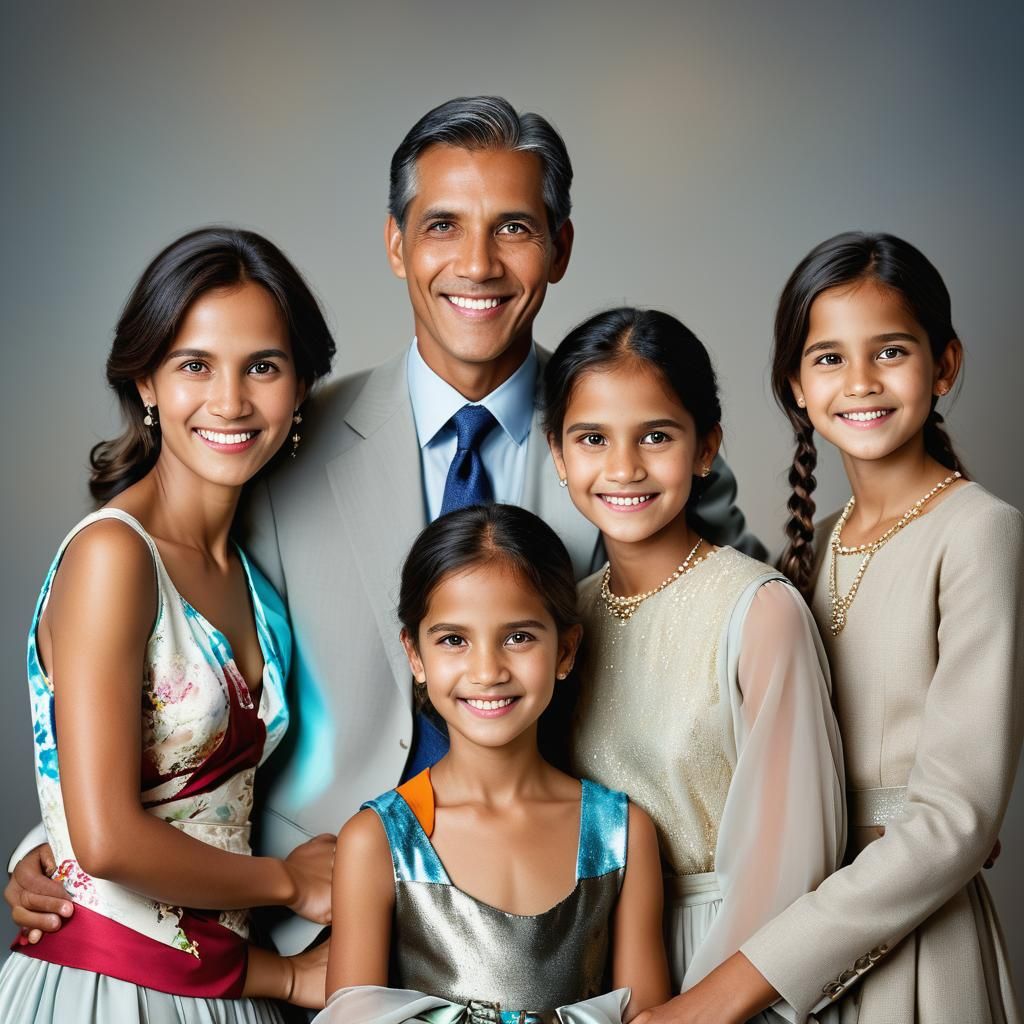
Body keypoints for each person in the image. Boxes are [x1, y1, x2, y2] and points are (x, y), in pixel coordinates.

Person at [7, 96, 760, 954]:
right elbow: (177, 665)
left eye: (513, 228)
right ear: (397, 244)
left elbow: (737, 660)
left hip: (562, 934)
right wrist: (63, 846)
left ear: (560, 248)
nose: (476, 264)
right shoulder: (279, 442)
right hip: (312, 931)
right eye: (443, 225)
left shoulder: (641, 447)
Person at [643, 233, 1024, 1024]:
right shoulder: (809, 549)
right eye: (827, 359)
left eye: (890, 351)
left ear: (944, 364)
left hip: (913, 942)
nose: (860, 383)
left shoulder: (980, 532)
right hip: (795, 924)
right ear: (794, 385)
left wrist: (729, 990)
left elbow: (956, 818)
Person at [0, 227, 341, 1021]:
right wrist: (290, 880)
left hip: (226, 980)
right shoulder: (114, 556)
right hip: (109, 991)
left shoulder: (253, 579)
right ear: (147, 381)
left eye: (263, 365)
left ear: (298, 388)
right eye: (195, 365)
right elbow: (108, 838)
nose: (230, 401)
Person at [543, 308, 846, 1021]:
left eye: (656, 435)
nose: (624, 468)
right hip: (598, 973)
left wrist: (705, 1006)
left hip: (734, 971)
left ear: (706, 447)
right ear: (558, 455)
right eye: (592, 439)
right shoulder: (565, 619)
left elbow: (792, 864)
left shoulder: (759, 611)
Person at [317, 504, 671, 1024]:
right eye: (454, 640)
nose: (487, 671)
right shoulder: (375, 841)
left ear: (566, 650)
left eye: (519, 637)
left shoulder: (621, 834)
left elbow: (649, 1016)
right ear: (415, 654)